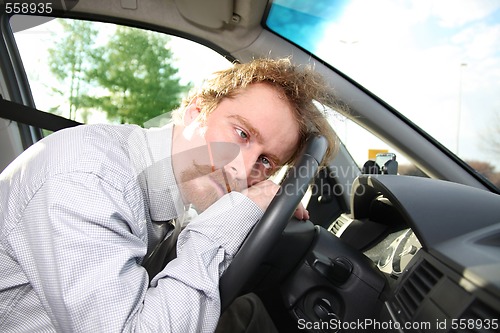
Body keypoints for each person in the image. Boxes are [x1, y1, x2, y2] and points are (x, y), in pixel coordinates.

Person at [0, 58, 338, 332]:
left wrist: (250, 214)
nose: (242, 168)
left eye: (266, 161)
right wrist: (231, 220)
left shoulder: (171, 187)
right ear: (196, 111)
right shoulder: (89, 180)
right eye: (241, 133)